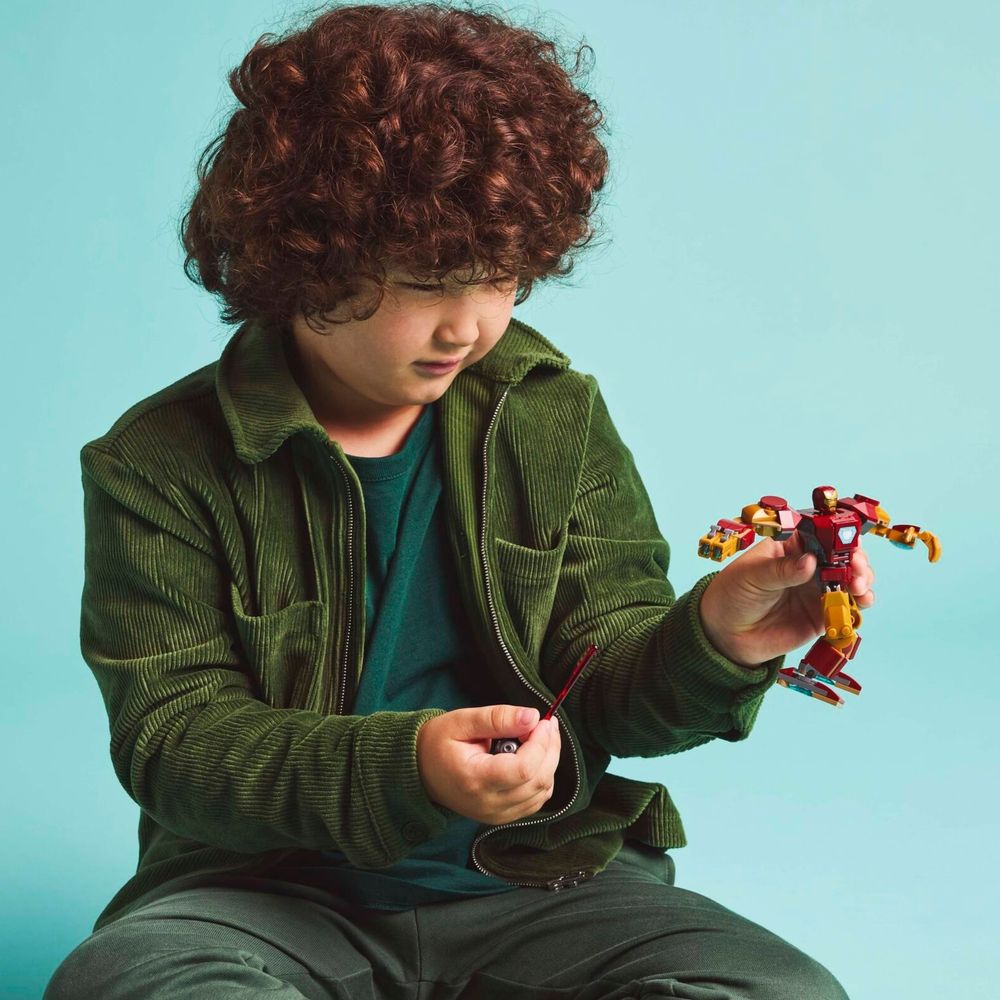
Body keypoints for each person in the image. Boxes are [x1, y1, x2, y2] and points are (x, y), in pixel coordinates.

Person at [45, 3, 867, 997]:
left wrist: (718, 636)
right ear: (309, 255)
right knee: (132, 982)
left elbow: (609, 684)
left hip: (538, 881)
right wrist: (411, 766)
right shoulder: (158, 461)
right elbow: (175, 743)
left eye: (504, 278)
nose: (470, 327)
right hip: (260, 893)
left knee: (782, 989)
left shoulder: (551, 414)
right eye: (431, 282)